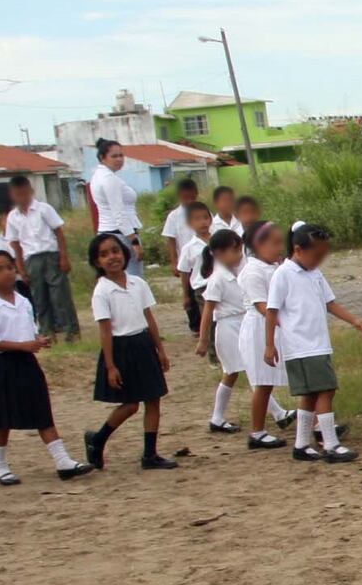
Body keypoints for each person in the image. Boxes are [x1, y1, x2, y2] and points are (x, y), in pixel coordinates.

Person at [0, 250, 93, 486]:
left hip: (26, 363)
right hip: (1, 366)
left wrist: (37, 340)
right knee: (2, 418)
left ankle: (62, 461)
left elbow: (28, 330)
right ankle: (0, 464)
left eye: (10, 267)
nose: (7, 272)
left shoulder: (23, 301)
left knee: (41, 412)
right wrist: (25, 345)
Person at [265, 222, 362, 463]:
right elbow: (271, 311)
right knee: (326, 389)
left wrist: (354, 320)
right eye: (316, 255)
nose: (319, 261)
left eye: (323, 256)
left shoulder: (315, 273)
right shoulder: (283, 274)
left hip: (317, 343)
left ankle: (301, 444)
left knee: (311, 394)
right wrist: (269, 344)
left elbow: (329, 303)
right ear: (298, 249)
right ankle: (330, 443)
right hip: (301, 345)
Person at [83, 234, 176, 471]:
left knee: (153, 399)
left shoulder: (138, 283)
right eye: (104, 254)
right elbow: (105, 331)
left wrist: (160, 350)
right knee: (130, 404)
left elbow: (149, 318)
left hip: (143, 344)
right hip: (121, 347)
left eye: (115, 251)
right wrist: (110, 365)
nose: (111, 257)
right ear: (97, 262)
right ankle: (98, 438)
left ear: (125, 254)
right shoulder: (102, 291)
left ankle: (150, 454)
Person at [238, 220, 298, 448]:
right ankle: (257, 432)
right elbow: (263, 307)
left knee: (295, 375)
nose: (280, 248)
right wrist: (289, 323)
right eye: (275, 244)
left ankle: (317, 424)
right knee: (263, 383)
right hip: (260, 330)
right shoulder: (251, 272)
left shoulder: (275, 267)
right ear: (259, 245)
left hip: (276, 326)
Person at [6, 175, 80, 342]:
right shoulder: (13, 217)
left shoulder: (44, 209)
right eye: (18, 194)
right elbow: (15, 244)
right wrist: (20, 268)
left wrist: (64, 257)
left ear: (31, 191)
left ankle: (71, 331)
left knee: (60, 295)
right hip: (31, 259)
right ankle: (47, 332)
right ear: (12, 195)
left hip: (51, 255)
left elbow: (59, 233)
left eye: (25, 193)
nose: (23, 198)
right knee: (39, 298)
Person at [196, 230, 249, 434]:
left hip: (243, 324)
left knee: (231, 374)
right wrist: (203, 340)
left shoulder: (243, 271)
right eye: (234, 251)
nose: (239, 255)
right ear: (218, 255)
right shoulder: (217, 279)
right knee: (246, 371)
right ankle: (279, 413)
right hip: (228, 327)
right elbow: (208, 311)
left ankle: (217, 418)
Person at [90, 138, 144, 277]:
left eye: (121, 155)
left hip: (109, 231)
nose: (119, 159)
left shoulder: (99, 176)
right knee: (132, 279)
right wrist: (134, 241)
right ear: (103, 157)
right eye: (114, 156)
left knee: (119, 277)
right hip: (120, 234)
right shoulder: (108, 179)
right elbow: (119, 214)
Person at [177, 202, 217, 364]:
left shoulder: (218, 240)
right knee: (210, 321)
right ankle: (214, 356)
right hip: (203, 288)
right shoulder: (189, 248)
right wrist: (186, 295)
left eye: (206, 218)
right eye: (197, 219)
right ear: (189, 223)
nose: (203, 222)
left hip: (221, 284)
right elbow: (185, 271)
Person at [161, 178, 200, 334]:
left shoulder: (202, 212)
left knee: (202, 291)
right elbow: (171, 239)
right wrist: (173, 261)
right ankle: (195, 324)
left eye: (191, 197)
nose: (189, 201)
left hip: (201, 260)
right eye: (185, 198)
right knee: (189, 292)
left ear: (196, 195)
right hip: (186, 261)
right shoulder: (174, 216)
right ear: (179, 196)